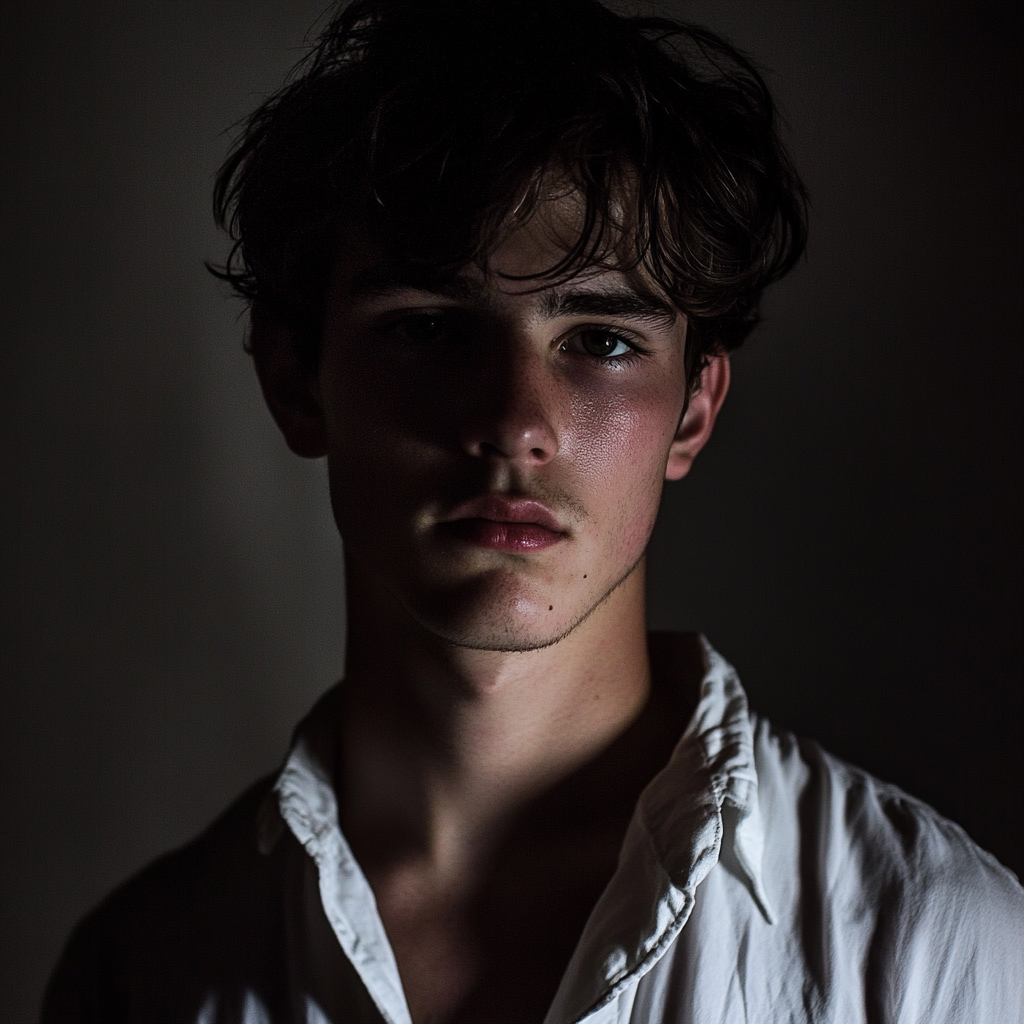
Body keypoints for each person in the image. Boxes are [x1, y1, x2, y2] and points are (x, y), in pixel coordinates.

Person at [42, 0, 1024, 1021]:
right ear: (294, 380)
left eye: (600, 339)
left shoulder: (934, 948)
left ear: (692, 410)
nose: (516, 423)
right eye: (427, 328)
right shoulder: (141, 972)